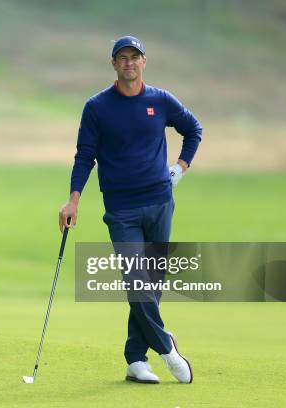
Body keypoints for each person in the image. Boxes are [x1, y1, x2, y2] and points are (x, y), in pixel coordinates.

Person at [59, 35, 202, 384]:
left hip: (160, 203)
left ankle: (136, 359)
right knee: (136, 282)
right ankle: (167, 347)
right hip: (121, 209)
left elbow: (193, 130)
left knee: (150, 286)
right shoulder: (97, 107)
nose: (129, 63)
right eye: (122, 58)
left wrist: (180, 167)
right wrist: (73, 199)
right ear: (113, 64)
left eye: (134, 57)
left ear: (144, 62)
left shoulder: (161, 100)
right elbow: (85, 156)